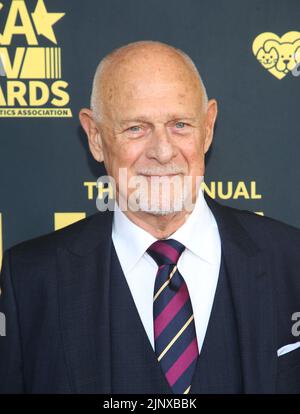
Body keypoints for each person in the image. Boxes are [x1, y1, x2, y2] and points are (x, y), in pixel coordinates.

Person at [0, 40, 300, 394]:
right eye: (136, 128)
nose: (162, 151)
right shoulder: (31, 279)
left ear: (208, 127)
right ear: (95, 137)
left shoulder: (291, 259)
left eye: (180, 125)